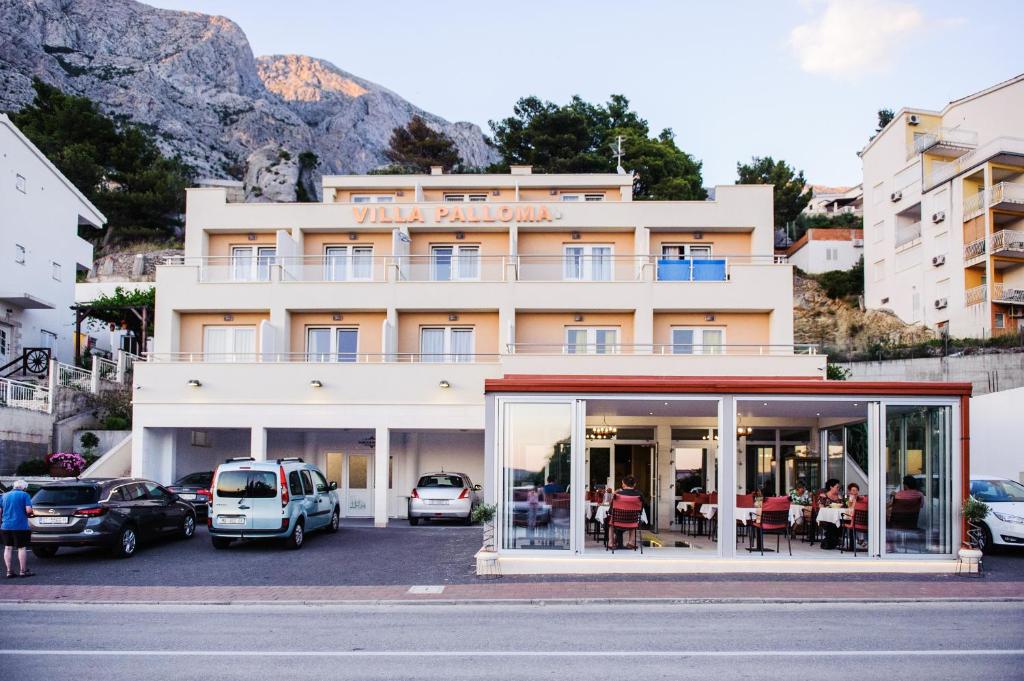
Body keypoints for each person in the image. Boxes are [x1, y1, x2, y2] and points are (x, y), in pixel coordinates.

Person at [1, 480, 34, 578]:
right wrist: (30, 514)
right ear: (24, 487)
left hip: (5, 526)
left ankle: (9, 571)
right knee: (21, 548)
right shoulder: (25, 495)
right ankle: (23, 571)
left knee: (7, 548)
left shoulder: (4, 495)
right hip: (20, 526)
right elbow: (28, 510)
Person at [610, 475, 644, 549]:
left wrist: (614, 494)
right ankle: (631, 542)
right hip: (632, 520)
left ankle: (611, 543)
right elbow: (640, 510)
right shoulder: (639, 494)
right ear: (634, 484)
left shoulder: (618, 494)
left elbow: (611, 510)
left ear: (624, 484)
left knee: (611, 522)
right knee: (634, 520)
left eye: (622, 483)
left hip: (618, 520)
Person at [816, 478, 843, 550]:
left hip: (837, 518)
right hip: (825, 519)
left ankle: (833, 541)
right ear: (831, 487)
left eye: (839, 487)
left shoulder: (839, 497)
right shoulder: (823, 496)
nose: (838, 489)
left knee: (841, 522)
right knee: (832, 524)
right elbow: (820, 507)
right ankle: (831, 542)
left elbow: (843, 507)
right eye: (837, 487)